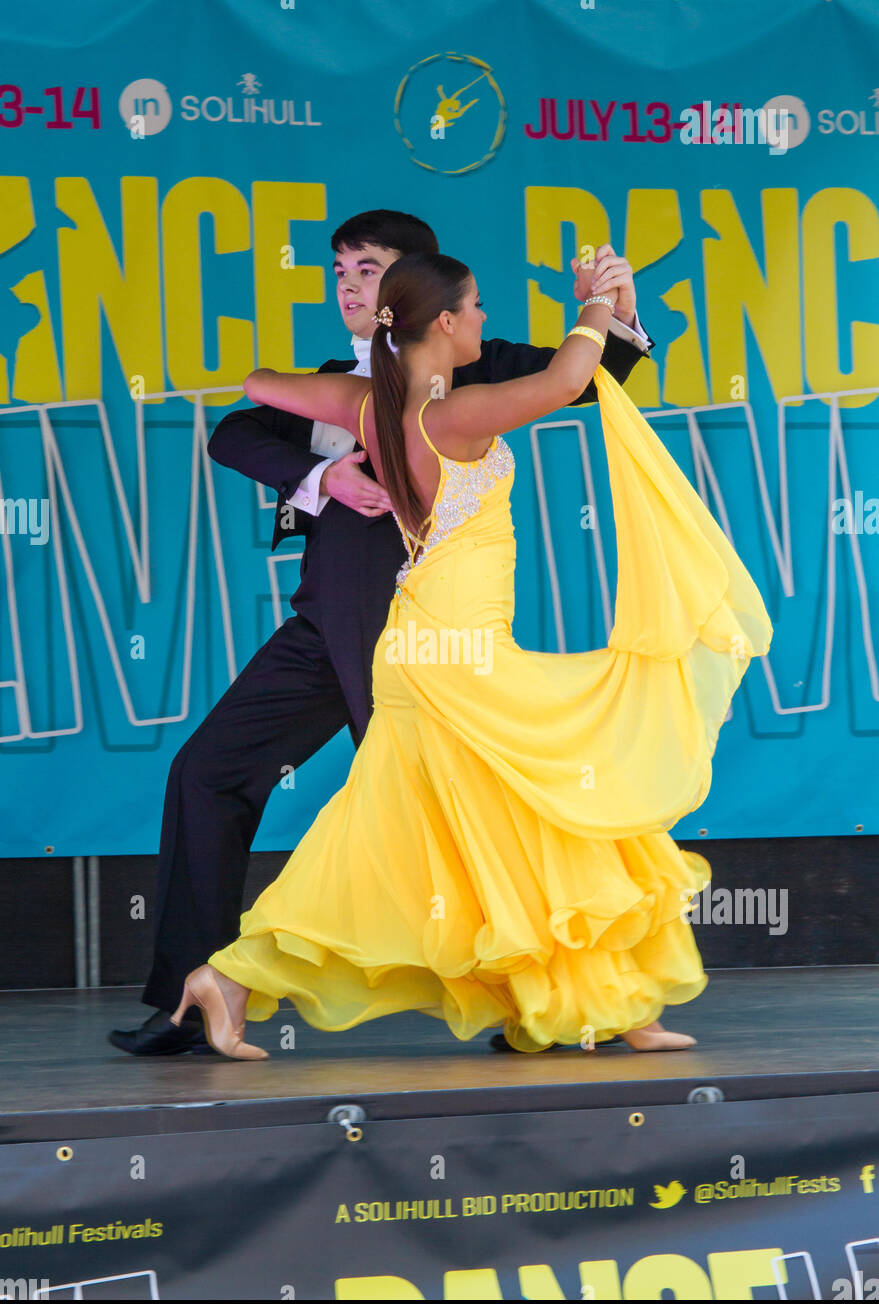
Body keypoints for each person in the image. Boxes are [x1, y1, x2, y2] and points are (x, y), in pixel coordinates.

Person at [168, 251, 773, 1060]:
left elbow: (256, 384)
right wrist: (593, 302)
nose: (486, 320)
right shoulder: (448, 416)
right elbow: (565, 381)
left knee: (491, 821)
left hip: (419, 651)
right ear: (444, 323)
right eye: (478, 306)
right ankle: (237, 977)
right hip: (457, 658)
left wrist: (332, 443)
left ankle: (607, 1004)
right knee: (546, 799)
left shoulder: (368, 405)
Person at [109, 210, 653, 1057]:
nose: (350, 286)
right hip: (328, 615)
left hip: (413, 626)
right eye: (340, 271)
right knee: (209, 771)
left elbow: (586, 377)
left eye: (368, 270)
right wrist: (324, 476)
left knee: (451, 803)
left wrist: (610, 308)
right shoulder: (340, 383)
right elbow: (235, 427)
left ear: (415, 287)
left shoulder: (474, 357)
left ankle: (547, 999)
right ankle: (189, 992)